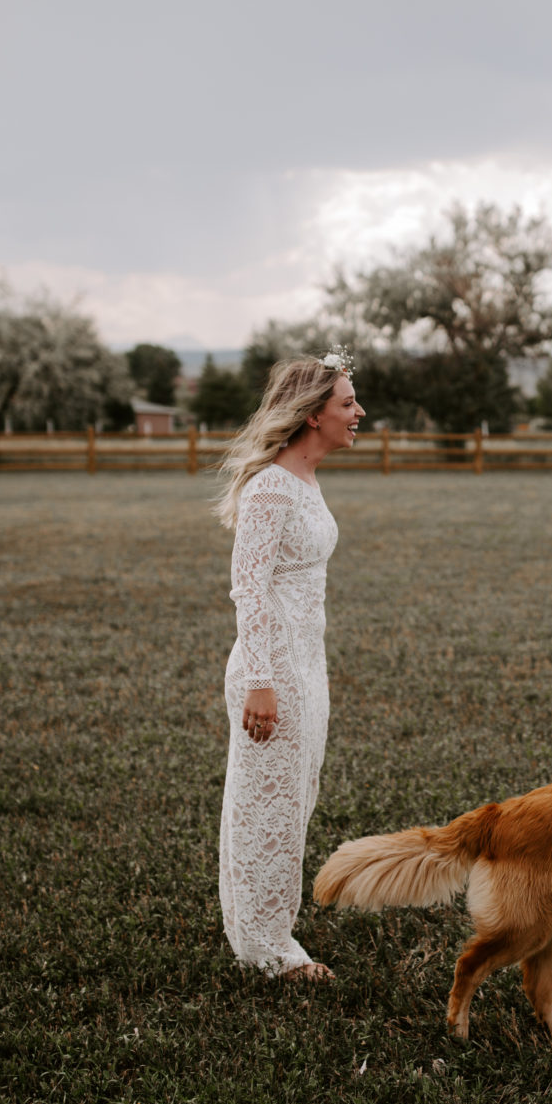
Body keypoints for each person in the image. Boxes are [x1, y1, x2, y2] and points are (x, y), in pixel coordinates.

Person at [214, 352, 365, 981]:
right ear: (312, 416)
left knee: (292, 798)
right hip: (268, 670)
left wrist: (304, 670)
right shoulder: (270, 487)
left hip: (304, 663)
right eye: (347, 403)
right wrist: (261, 680)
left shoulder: (306, 478)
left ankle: (265, 928)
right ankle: (270, 951)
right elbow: (248, 589)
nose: (359, 413)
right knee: (266, 804)